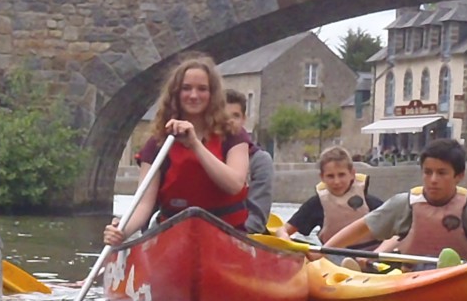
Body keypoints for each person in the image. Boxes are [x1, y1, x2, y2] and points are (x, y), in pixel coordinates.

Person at [103, 51, 250, 246]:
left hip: (227, 235)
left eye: (202, 89)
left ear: (212, 94)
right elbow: (144, 204)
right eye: (186, 88)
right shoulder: (157, 144)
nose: (194, 95)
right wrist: (122, 231)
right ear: (176, 94)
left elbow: (234, 184)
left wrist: (195, 145)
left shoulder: (233, 134)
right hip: (174, 239)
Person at [318, 138, 467, 263]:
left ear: (459, 176)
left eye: (442, 173)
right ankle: (360, 267)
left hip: (457, 273)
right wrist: (324, 251)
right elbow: (361, 228)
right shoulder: (404, 203)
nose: (433, 180)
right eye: (428, 172)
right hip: (409, 276)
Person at [277, 146, 383, 247]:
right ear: (322, 177)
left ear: (352, 174)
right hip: (333, 257)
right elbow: (283, 230)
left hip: (369, 255)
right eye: (330, 176)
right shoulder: (316, 204)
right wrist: (283, 236)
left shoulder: (370, 202)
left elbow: (395, 228)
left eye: (341, 175)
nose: (336, 182)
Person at [225, 89, 274, 234]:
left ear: (244, 119)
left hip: (241, 235)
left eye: (236, 116)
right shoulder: (204, 154)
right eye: (224, 116)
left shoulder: (260, 160)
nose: (230, 121)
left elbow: (257, 218)